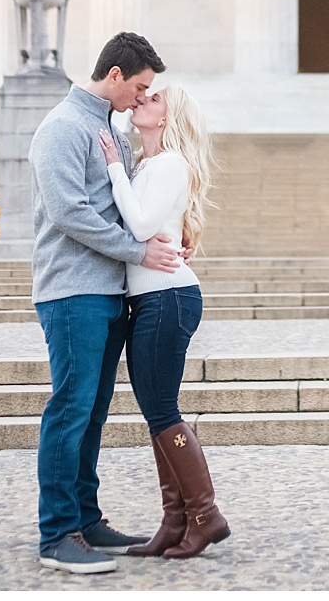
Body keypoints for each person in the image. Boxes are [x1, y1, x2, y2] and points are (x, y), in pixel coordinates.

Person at [28, 32, 186, 575]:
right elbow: (70, 213)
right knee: (70, 409)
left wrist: (166, 238)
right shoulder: (62, 128)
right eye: (139, 86)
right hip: (72, 291)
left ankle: (86, 519)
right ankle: (56, 535)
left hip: (108, 292)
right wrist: (139, 251)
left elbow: (126, 206)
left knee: (92, 413)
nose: (140, 98)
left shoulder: (107, 128)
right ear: (115, 75)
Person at [100, 75, 230, 559]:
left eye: (151, 98)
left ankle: (205, 515)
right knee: (158, 412)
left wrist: (114, 167)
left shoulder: (170, 163)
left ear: (168, 116)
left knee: (162, 412)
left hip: (168, 298)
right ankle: (175, 521)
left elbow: (140, 225)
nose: (140, 101)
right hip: (153, 299)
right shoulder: (150, 164)